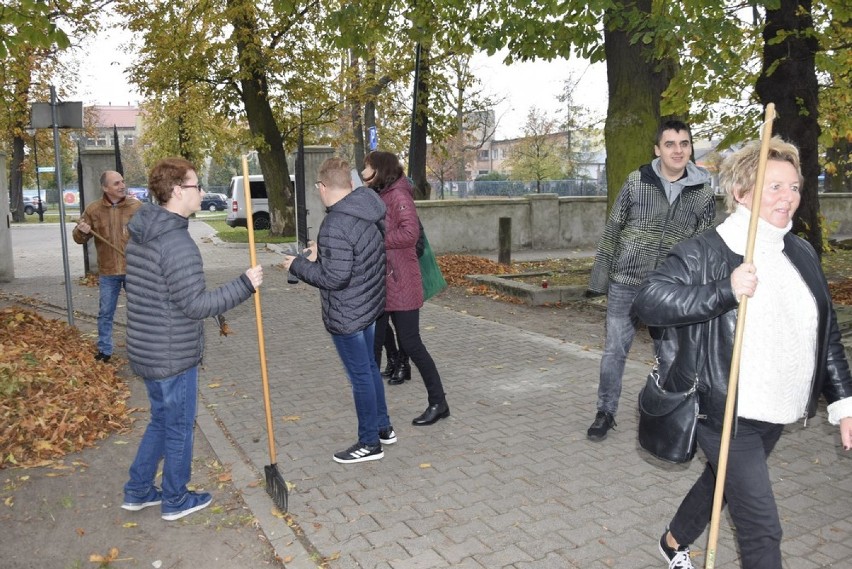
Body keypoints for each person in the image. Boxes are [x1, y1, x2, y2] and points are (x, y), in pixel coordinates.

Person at [634, 138, 852, 569]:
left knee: (723, 480)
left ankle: (673, 540)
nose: (787, 197)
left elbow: (824, 335)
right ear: (740, 192)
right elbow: (648, 301)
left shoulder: (801, 251)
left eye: (793, 187)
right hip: (724, 409)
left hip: (776, 408)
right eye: (773, 187)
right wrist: (724, 290)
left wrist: (844, 403)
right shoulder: (706, 250)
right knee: (762, 529)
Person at [121, 158, 263, 520]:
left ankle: (138, 490)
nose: (201, 191)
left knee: (160, 420)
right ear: (177, 191)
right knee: (180, 425)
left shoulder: (144, 230)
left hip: (148, 347)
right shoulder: (175, 242)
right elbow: (197, 306)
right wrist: (245, 284)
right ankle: (175, 498)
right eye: (196, 185)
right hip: (171, 352)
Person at [586, 120, 716, 441]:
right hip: (626, 281)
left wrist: (696, 291)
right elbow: (614, 228)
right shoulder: (636, 182)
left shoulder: (702, 194)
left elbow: (704, 247)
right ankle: (605, 412)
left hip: (669, 289)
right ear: (657, 149)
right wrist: (600, 279)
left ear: (690, 149)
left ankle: (666, 415)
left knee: (670, 355)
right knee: (615, 350)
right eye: (670, 144)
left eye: (684, 144)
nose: (677, 150)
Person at [283, 157, 394, 464]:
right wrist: (325, 252)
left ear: (322, 186)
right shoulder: (367, 210)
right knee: (370, 369)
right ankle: (383, 426)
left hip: (348, 312)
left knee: (360, 376)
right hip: (368, 304)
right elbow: (357, 256)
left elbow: (334, 278)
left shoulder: (335, 223)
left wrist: (297, 264)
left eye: (317, 186)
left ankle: (369, 443)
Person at [363, 150, 450, 426]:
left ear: (379, 169)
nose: (363, 171)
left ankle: (439, 403)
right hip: (384, 283)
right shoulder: (380, 194)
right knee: (374, 345)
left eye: (367, 166)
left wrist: (378, 238)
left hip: (402, 283)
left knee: (411, 344)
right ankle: (374, 411)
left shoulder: (399, 195)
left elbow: (410, 234)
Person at [72, 170, 142, 362]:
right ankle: (104, 351)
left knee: (140, 312)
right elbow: (78, 238)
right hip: (108, 271)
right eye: (116, 183)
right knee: (105, 313)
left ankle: (142, 349)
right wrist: (82, 231)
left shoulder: (136, 207)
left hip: (133, 270)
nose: (122, 186)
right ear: (105, 188)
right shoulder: (93, 210)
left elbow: (150, 235)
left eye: (123, 182)